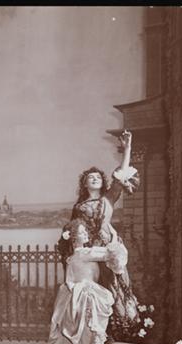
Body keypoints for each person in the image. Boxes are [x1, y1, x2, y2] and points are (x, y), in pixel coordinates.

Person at [69, 130, 140, 333]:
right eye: (90, 177)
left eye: (98, 177)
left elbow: (122, 174)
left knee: (116, 283)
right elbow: (74, 230)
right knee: (95, 287)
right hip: (91, 250)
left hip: (109, 246)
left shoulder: (108, 198)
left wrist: (127, 148)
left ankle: (122, 328)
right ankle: (98, 330)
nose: (94, 179)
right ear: (84, 183)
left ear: (103, 181)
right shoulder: (79, 206)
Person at [48, 219, 127, 344]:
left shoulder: (71, 258)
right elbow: (111, 253)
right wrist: (114, 237)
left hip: (72, 300)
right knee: (90, 338)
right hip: (87, 299)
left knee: (79, 340)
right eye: (82, 232)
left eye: (85, 231)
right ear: (73, 238)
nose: (86, 234)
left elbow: (70, 281)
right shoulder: (85, 253)